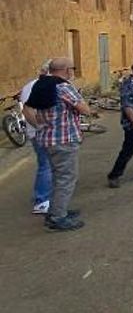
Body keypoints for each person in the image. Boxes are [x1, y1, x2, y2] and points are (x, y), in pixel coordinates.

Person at [22, 57, 91, 231]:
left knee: (57, 176)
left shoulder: (40, 84)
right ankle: (58, 217)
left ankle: (56, 210)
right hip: (64, 139)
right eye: (72, 68)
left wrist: (38, 126)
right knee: (67, 178)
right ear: (66, 70)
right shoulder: (63, 87)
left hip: (47, 138)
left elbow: (26, 109)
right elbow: (84, 109)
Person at [20, 60, 53, 215]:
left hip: (42, 132)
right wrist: (40, 128)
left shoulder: (34, 85)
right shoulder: (36, 86)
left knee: (48, 165)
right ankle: (41, 201)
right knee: (45, 165)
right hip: (40, 133)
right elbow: (28, 111)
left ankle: (43, 195)